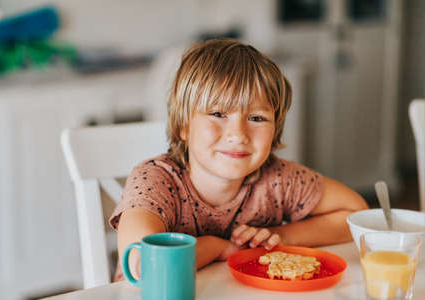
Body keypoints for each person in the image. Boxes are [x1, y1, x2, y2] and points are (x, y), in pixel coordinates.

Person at [109, 39, 368, 281]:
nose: (238, 135)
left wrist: (281, 236)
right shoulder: (156, 180)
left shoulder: (276, 179)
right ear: (184, 126)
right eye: (218, 113)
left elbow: (357, 214)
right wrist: (217, 247)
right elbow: (145, 265)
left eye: (256, 118)